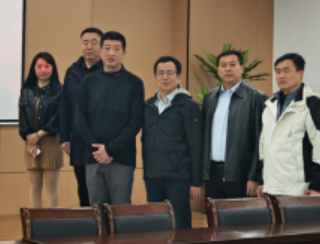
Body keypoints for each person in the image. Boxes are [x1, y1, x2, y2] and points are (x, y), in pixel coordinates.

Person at [75, 32, 145, 207]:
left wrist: (110, 149)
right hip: (93, 157)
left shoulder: (134, 83)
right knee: (97, 210)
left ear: (124, 53)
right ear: (100, 51)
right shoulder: (87, 81)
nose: (111, 53)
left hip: (122, 158)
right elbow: (80, 118)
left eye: (116, 49)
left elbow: (135, 123)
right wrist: (97, 150)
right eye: (107, 48)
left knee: (121, 211)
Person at [258, 53, 320, 197]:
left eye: (286, 71)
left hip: (298, 189)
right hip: (270, 187)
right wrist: (262, 180)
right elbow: (263, 144)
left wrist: (317, 186)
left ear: (300, 73)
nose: (281, 76)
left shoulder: (312, 104)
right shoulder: (270, 105)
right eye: (278, 72)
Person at [142, 57, 204, 229]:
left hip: (178, 177)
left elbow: (196, 145)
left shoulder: (188, 106)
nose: (165, 77)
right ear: (155, 77)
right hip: (152, 176)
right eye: (160, 73)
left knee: (180, 225)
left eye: (170, 73)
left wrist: (196, 181)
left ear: (179, 77)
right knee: (155, 225)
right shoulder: (148, 106)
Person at [202, 50, 268, 200]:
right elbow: (204, 135)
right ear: (218, 70)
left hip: (241, 175)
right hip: (213, 174)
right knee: (213, 214)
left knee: (239, 215)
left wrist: (254, 176)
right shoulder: (210, 97)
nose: (228, 69)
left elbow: (260, 140)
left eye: (232, 65)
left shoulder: (256, 98)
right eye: (223, 65)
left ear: (242, 68)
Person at [59, 28, 104, 207]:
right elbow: (65, 106)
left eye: (94, 42)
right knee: (83, 186)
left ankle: (103, 221)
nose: (89, 46)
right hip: (77, 138)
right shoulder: (72, 72)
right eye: (85, 42)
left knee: (100, 187)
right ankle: (88, 220)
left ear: (101, 46)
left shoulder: (107, 71)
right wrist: (65, 137)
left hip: (99, 138)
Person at [19, 53, 64, 208]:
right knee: (34, 186)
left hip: (50, 142)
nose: (43, 70)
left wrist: (39, 134)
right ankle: (35, 220)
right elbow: (23, 117)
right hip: (32, 144)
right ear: (34, 68)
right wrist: (29, 138)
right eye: (39, 66)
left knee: (51, 187)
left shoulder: (60, 90)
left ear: (53, 68)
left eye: (47, 66)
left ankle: (51, 220)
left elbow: (59, 116)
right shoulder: (26, 90)